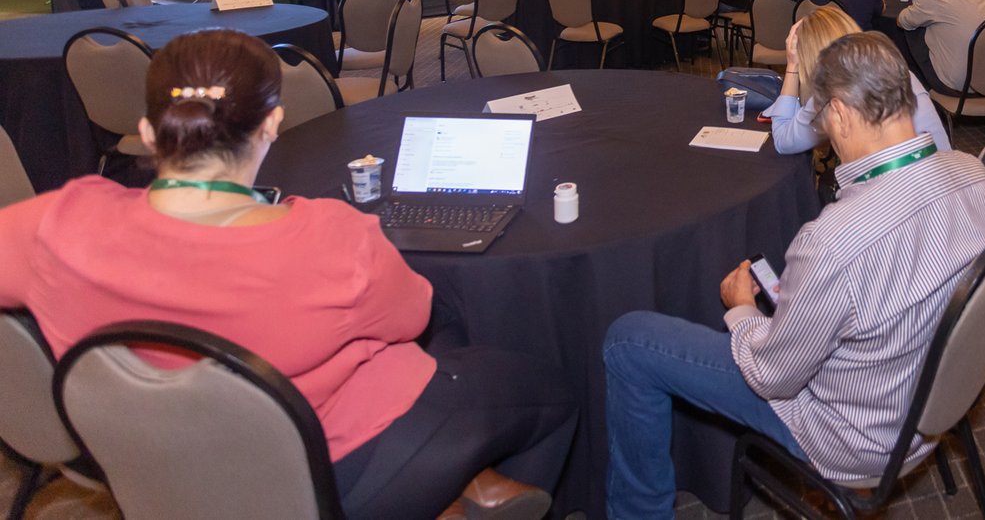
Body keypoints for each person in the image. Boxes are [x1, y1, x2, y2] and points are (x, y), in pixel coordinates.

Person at [0, 30, 575, 520]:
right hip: (334, 471)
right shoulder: (328, 238)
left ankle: (469, 489)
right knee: (550, 390)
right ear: (272, 123)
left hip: (153, 464)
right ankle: (462, 491)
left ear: (148, 133)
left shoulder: (56, 225)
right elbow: (411, 316)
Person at [602, 33, 985, 520]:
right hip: (930, 400)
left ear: (840, 114)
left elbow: (773, 377)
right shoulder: (972, 172)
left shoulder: (832, 240)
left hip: (852, 436)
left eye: (822, 118)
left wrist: (742, 311)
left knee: (628, 342)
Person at [762, 7, 949, 155]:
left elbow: (783, 141)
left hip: (896, 188)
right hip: (947, 176)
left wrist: (792, 65)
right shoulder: (901, 73)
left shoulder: (832, 95)